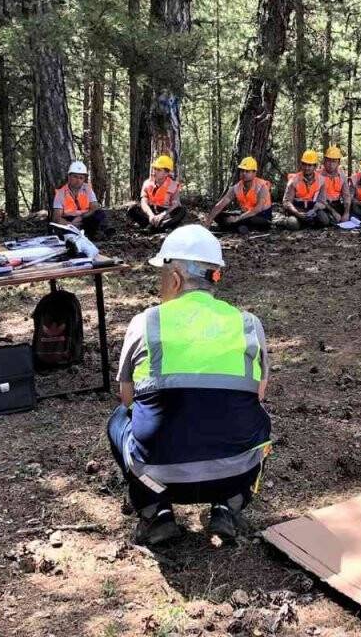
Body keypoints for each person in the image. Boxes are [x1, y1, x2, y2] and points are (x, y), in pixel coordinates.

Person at [107, 225, 271, 545]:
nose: (160, 285)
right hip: (234, 473)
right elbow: (258, 395)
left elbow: (127, 399)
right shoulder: (249, 325)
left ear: (177, 279)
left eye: (163, 277)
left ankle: (157, 513)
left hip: (160, 477)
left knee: (118, 419)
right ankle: (227, 506)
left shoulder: (146, 323)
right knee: (256, 420)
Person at [206, 156, 274, 232]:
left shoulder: (262, 187)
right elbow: (220, 205)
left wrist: (237, 218)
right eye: (242, 171)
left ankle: (232, 227)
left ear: (254, 173)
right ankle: (240, 228)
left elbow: (257, 210)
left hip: (261, 217)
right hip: (245, 214)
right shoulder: (236, 188)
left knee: (251, 220)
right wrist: (207, 224)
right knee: (218, 215)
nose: (244, 173)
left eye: (247, 171)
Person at [277, 150, 330, 229]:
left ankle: (307, 223)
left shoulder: (321, 180)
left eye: (309, 165)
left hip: (312, 209)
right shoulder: (294, 180)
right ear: (301, 165)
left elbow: (322, 201)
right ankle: (285, 222)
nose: (306, 168)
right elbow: (287, 201)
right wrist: (296, 212)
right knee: (293, 224)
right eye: (304, 164)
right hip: (297, 209)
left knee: (324, 221)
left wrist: (314, 210)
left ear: (315, 166)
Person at [128, 155, 183, 232]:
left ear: (166, 173)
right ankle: (158, 227)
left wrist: (162, 215)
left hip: (165, 213)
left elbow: (175, 204)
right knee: (132, 209)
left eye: (159, 170)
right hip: (150, 212)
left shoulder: (174, 185)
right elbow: (143, 202)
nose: (154, 171)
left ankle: (153, 227)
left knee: (182, 211)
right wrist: (151, 215)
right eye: (155, 169)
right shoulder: (147, 183)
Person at [52, 161, 105, 238]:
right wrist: (70, 224)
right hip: (69, 220)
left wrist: (81, 217)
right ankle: (76, 234)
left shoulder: (87, 188)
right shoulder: (61, 193)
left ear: (84, 179)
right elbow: (56, 217)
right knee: (61, 229)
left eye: (81, 178)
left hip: (85, 217)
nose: (78, 180)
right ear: (69, 177)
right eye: (75, 176)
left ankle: (95, 233)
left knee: (99, 214)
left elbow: (95, 207)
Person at [319, 146, 351, 224]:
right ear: (324, 161)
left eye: (334, 161)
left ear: (338, 163)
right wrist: (333, 212)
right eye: (328, 161)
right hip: (323, 205)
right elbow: (320, 198)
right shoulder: (318, 175)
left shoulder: (342, 176)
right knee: (323, 219)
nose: (331, 164)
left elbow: (346, 196)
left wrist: (346, 213)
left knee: (352, 209)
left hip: (337, 204)